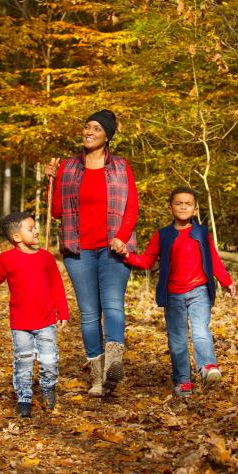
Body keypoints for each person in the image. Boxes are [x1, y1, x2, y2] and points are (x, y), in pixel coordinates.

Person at [45, 109, 138, 397]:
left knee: (112, 306)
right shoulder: (69, 166)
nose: (89, 132)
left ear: (107, 136)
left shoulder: (121, 166)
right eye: (87, 127)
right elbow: (58, 212)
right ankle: (97, 378)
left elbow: (132, 207)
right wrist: (52, 181)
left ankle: (113, 364)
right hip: (78, 249)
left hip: (113, 248)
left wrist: (122, 238)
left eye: (96, 128)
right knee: (87, 314)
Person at [118, 187, 236, 398]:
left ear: (195, 209)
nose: (183, 207)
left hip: (199, 290)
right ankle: (183, 380)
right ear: (170, 208)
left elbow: (214, 260)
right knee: (178, 339)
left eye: (188, 204)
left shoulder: (201, 232)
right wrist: (127, 255)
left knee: (200, 330)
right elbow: (146, 261)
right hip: (173, 294)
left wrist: (226, 281)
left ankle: (208, 367)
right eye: (179, 203)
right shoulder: (163, 235)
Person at [0, 212, 69, 417]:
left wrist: (62, 310)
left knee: (49, 360)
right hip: (20, 323)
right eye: (30, 228)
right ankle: (24, 398)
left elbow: (56, 285)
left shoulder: (46, 258)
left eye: (35, 227)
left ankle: (47, 389)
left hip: (45, 321)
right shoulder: (7, 259)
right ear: (16, 237)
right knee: (23, 361)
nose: (36, 230)